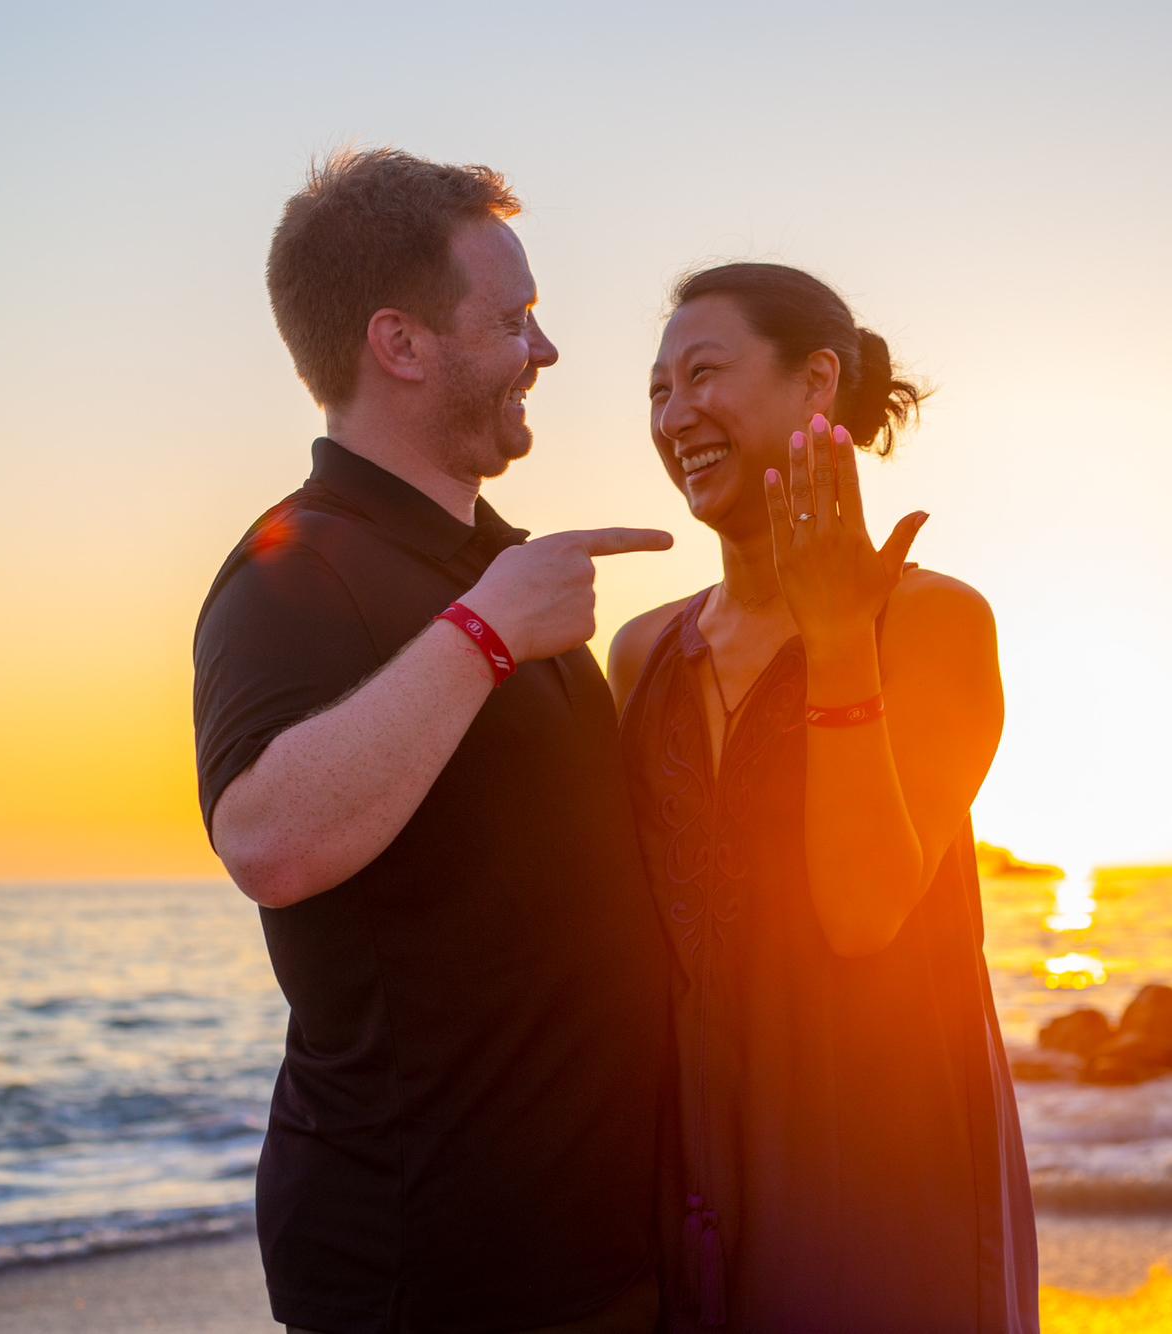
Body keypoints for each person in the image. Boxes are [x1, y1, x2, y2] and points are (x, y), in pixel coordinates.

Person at [192, 148, 673, 1334]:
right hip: (430, 1274)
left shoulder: (494, 562)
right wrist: (483, 633)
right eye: (511, 320)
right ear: (399, 344)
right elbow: (265, 839)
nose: (543, 351)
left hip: (596, 1253)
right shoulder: (294, 567)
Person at [609, 263, 1041, 1332]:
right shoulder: (641, 653)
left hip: (885, 1179)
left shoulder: (931, 623)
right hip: (684, 1178)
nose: (673, 415)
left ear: (815, 383)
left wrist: (839, 638)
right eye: (657, 390)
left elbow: (861, 910)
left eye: (702, 373)